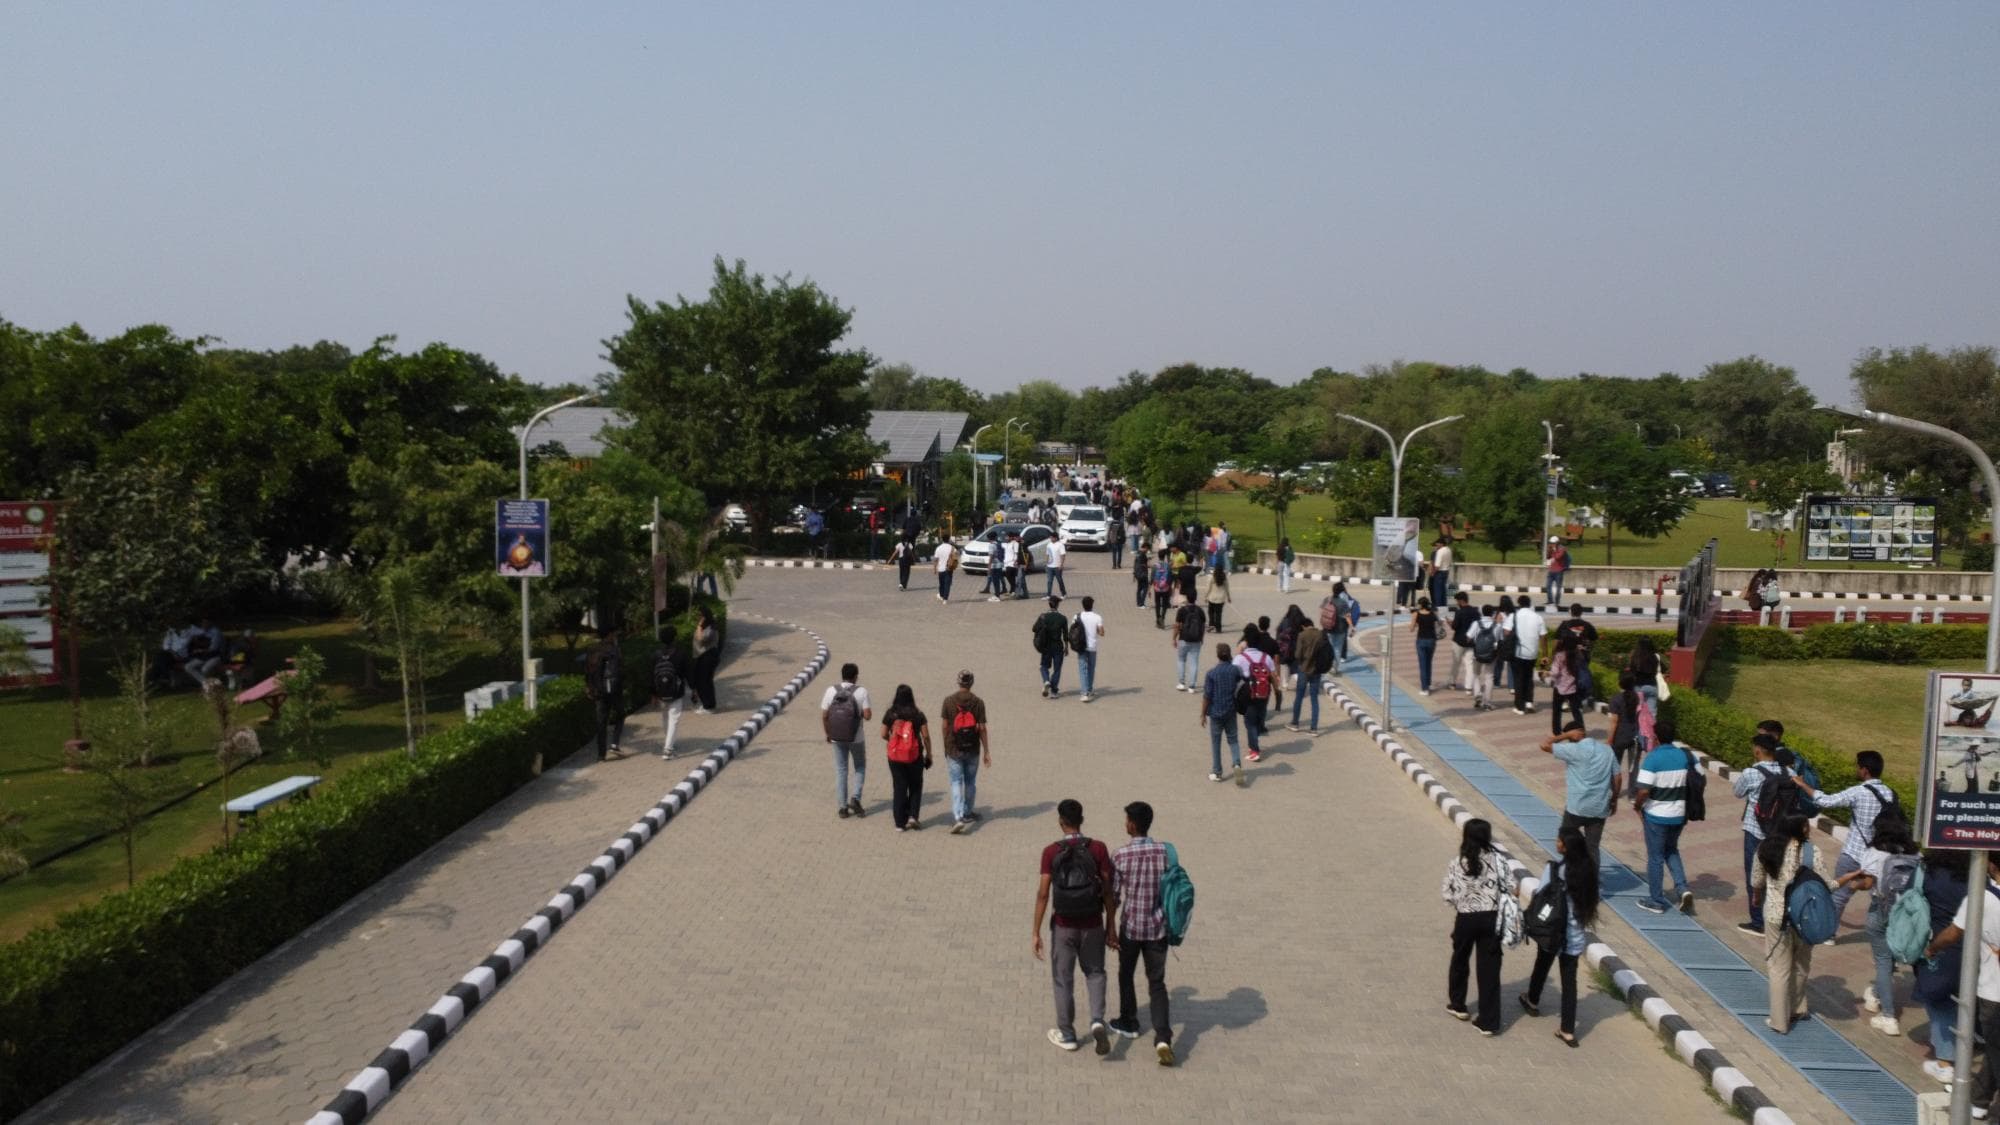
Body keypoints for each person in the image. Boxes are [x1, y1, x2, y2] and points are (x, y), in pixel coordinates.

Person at [1032, 799, 1117, 1054]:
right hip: (1092, 922)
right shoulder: (1098, 848)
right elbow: (1108, 891)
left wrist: (1035, 931)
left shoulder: (1051, 852)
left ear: (1060, 821)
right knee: (1095, 972)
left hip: (1063, 925)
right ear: (1082, 819)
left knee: (1063, 979)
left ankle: (1067, 1034)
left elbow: (1044, 894)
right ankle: (1097, 1020)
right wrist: (1111, 926)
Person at [1830, 810, 1920, 1037]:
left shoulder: (1874, 852)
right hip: (1906, 913)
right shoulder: (1914, 854)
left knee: (1882, 960)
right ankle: (1878, 995)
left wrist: (1853, 885)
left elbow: (1868, 882)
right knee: (1889, 960)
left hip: (1880, 909)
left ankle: (1888, 1015)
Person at [1795, 750, 1899, 937]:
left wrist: (1803, 785)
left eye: (1857, 766)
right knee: (1881, 899)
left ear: (1865, 770)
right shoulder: (1891, 794)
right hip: (1879, 857)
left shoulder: (1859, 792)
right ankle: (1888, 936)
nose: (1856, 769)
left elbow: (1826, 801)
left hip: (1853, 853)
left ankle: (1829, 934)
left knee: (1839, 896)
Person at [1519, 824, 1600, 1047]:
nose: (1557, 842)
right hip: (1574, 936)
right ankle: (1567, 1030)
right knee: (1569, 983)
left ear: (1565, 847)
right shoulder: (1589, 870)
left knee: (1542, 964)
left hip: (1551, 931)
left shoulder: (1554, 869)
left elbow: (1540, 893)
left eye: (1559, 840)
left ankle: (1532, 999)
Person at [1109, 800, 1174, 1065]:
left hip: (1132, 928)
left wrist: (1110, 928)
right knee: (1157, 983)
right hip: (1158, 928)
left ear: (1132, 825)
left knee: (1126, 973)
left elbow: (1113, 896)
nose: (1125, 824)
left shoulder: (1121, 855)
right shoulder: (1164, 852)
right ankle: (1162, 1037)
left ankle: (1129, 1020)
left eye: (1126, 820)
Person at [1441, 817, 1509, 1035]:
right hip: (1491, 918)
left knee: (1460, 959)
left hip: (1466, 919)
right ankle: (1488, 1022)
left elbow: (1447, 894)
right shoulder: (1499, 861)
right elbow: (1512, 887)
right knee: (1489, 969)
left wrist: (1463, 902)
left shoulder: (1457, 863)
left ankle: (1458, 1004)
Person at [1755, 815, 1816, 1033]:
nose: (1809, 828)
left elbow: (1756, 881)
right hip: (1804, 917)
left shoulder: (1766, 848)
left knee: (1779, 969)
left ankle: (1779, 1021)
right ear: (1799, 829)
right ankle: (1797, 1008)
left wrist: (1756, 897)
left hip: (1775, 917)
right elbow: (1827, 884)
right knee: (1800, 964)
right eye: (1806, 825)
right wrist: (1846, 880)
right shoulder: (1811, 852)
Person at [1915, 850, 1971, 1084]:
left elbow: (1911, 898)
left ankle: (1945, 1062)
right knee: (1962, 995)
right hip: (1973, 946)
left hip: (1938, 942)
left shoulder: (1928, 872)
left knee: (1938, 1000)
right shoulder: (1975, 876)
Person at [1729, 734, 1789, 935]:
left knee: (1753, 875)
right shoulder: (1788, 772)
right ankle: (1778, 918)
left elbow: (1737, 793)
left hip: (1755, 831)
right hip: (1780, 833)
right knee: (1777, 875)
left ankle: (1757, 921)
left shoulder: (1751, 773)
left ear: (1757, 750)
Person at [1632, 732, 1695, 915]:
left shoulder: (1653, 758)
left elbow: (1643, 790)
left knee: (1655, 857)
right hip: (1678, 814)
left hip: (1657, 816)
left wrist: (1637, 806)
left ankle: (1656, 900)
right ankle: (1683, 889)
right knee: (1671, 850)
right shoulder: (1683, 755)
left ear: (1656, 738)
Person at [1540, 720, 1619, 857]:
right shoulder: (1607, 750)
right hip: (1599, 808)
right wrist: (1614, 800)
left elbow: (1544, 745)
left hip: (1576, 807)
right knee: (1592, 848)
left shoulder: (1574, 749)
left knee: (1563, 843)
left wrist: (1564, 735)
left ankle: (1571, 873)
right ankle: (1591, 877)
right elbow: (1618, 777)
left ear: (1572, 737)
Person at [821, 662, 873, 819]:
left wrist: (828, 733)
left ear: (842, 675)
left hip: (836, 737)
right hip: (856, 737)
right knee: (860, 767)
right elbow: (868, 716)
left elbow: (824, 715)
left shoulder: (831, 690)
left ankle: (842, 808)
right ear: (855, 676)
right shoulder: (861, 691)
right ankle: (855, 798)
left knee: (841, 770)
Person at [940, 670, 991, 833]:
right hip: (972, 749)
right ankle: (968, 812)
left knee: (956, 782)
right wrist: (986, 751)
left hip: (954, 748)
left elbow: (944, 726)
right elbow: (982, 728)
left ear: (958, 682)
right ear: (971, 683)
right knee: (970, 782)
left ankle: (958, 816)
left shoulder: (948, 701)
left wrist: (946, 745)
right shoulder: (978, 702)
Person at [880, 684, 930, 831]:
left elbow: (883, 734)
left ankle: (899, 824)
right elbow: (926, 736)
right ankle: (913, 816)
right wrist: (929, 753)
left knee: (899, 787)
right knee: (915, 785)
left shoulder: (890, 713)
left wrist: (893, 742)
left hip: (895, 757)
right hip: (915, 756)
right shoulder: (918, 714)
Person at [1200, 642, 1246, 786]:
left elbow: (1207, 696)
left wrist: (1203, 714)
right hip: (1230, 710)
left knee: (1216, 742)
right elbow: (1242, 681)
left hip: (1215, 712)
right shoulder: (1235, 670)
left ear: (1217, 655)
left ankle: (1217, 771)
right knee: (1233, 740)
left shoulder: (1211, 674)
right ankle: (1237, 763)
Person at [1234, 629, 1278, 763]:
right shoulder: (1266, 657)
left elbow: (1233, 675)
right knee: (1258, 718)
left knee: (1250, 722)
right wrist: (1277, 692)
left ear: (1246, 642)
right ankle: (1255, 742)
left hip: (1249, 693)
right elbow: (1273, 676)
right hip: (1265, 692)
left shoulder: (1240, 658)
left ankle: (1254, 750)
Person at [583, 626, 626, 761]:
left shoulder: (592, 650)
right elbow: (620, 669)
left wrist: (589, 687)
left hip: (598, 691)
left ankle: (601, 755)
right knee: (620, 714)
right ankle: (614, 743)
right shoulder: (614, 650)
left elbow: (587, 671)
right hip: (613, 689)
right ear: (609, 635)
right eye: (613, 634)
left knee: (601, 722)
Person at [1287, 613, 1329, 734]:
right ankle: (1314, 728)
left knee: (1299, 696)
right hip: (1317, 670)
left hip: (1304, 669)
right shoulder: (1321, 635)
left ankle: (1295, 723)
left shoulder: (1302, 635)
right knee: (1314, 699)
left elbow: (1297, 654)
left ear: (1304, 626)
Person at [651, 626, 687, 760]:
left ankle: (668, 742)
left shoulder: (656, 655)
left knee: (665, 717)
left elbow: (651, 675)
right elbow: (687, 672)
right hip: (676, 692)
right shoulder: (680, 653)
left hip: (660, 693)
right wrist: (694, 688)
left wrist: (653, 694)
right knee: (674, 719)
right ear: (674, 637)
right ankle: (668, 749)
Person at [1507, 601, 1545, 715]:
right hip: (1532, 654)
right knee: (1529, 678)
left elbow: (1506, 632)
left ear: (1519, 604)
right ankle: (1529, 702)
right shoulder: (1538, 617)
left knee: (1518, 679)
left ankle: (1519, 707)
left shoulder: (1513, 616)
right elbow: (1543, 636)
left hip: (1518, 652)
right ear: (1530, 604)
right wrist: (1545, 654)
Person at [1554, 605, 1598, 701]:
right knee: (1580, 677)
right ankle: (1578, 700)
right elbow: (1594, 639)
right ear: (1581, 613)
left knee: (1566, 676)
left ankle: (1566, 700)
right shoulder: (1587, 625)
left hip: (1567, 655)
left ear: (1570, 612)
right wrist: (1588, 649)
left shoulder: (1564, 625)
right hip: (1582, 655)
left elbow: (1557, 640)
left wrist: (1555, 653)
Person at [1546, 634, 1586, 734]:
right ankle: (1581, 730)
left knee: (1556, 711)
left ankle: (1557, 732)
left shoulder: (1559, 655)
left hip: (1560, 687)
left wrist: (1547, 674)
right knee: (1576, 711)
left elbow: (1555, 673)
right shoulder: (1578, 655)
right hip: (1573, 687)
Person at [1034, 595, 1069, 700]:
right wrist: (1066, 647)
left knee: (1043, 666)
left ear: (1049, 604)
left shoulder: (1043, 616)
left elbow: (1034, 628)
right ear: (1058, 605)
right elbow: (1065, 635)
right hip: (1058, 646)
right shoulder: (1062, 618)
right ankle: (1054, 691)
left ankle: (1046, 680)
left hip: (1046, 646)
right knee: (1057, 669)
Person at [688, 607, 721, 713]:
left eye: (700, 616)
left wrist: (699, 626)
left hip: (707, 656)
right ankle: (709, 704)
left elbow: (700, 639)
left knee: (703, 682)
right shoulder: (708, 626)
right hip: (703, 656)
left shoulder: (710, 628)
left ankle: (708, 706)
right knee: (706, 681)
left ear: (705, 617)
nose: (698, 618)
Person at [1172, 593, 1206, 692]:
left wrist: (1174, 638)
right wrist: (1202, 638)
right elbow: (1203, 626)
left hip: (1183, 639)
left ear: (1187, 599)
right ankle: (1192, 686)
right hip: (1196, 640)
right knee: (1194, 663)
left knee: (1181, 660)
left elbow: (1177, 626)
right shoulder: (1200, 611)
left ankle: (1181, 683)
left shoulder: (1182, 610)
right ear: (1195, 599)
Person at [1448, 591, 1480, 692]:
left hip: (1458, 640)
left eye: (1457, 601)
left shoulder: (1459, 612)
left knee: (1456, 663)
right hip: (1471, 642)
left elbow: (1455, 627)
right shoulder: (1475, 611)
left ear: (1461, 600)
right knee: (1469, 665)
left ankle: (1452, 683)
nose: (1456, 603)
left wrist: (1449, 622)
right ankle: (1468, 687)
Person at [1075, 596, 1105, 703]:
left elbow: (1073, 629)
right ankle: (1089, 689)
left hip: (1081, 646)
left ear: (1083, 605)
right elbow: (1102, 633)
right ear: (1092, 605)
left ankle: (1084, 693)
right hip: (1093, 646)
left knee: (1083, 669)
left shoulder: (1077, 616)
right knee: (1091, 668)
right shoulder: (1097, 617)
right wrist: (1095, 629)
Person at [1411, 596, 1441, 696]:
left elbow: (1411, 628)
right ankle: (1428, 683)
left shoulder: (1416, 614)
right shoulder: (1433, 613)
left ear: (1420, 605)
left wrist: (1415, 623)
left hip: (1421, 640)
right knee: (1429, 662)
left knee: (1423, 665)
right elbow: (1439, 624)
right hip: (1432, 640)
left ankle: (1425, 689)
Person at [1625, 637, 1662, 716]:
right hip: (1652, 686)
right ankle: (1651, 728)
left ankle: (1639, 728)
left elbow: (1632, 672)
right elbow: (1659, 670)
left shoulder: (1636, 657)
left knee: (1638, 712)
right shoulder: (1654, 657)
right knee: (1652, 713)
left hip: (1639, 687)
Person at [1202, 558, 1232, 630]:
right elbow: (1227, 588)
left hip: (1212, 598)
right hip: (1221, 599)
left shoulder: (1212, 577)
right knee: (1218, 614)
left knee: (1211, 612)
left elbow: (1208, 588)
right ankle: (1218, 628)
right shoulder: (1224, 578)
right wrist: (1228, 597)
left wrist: (1205, 597)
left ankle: (1211, 624)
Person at [931, 535, 959, 604]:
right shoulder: (952, 548)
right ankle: (945, 599)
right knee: (947, 584)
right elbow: (957, 555)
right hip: (949, 568)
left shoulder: (939, 548)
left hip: (941, 569)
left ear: (942, 540)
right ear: (949, 539)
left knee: (941, 583)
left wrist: (934, 569)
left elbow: (935, 559)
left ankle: (941, 595)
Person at [1150, 551, 1175, 628]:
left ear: (1158, 556)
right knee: (1164, 604)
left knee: (1157, 604)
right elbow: (1171, 577)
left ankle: (1158, 620)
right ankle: (1163, 618)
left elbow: (1152, 578)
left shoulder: (1155, 566)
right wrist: (1170, 587)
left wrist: (1149, 588)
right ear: (1164, 557)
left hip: (1157, 588)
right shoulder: (1168, 566)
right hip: (1166, 588)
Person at [1544, 536, 1570, 607]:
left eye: (1553, 543)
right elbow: (1548, 557)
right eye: (1551, 543)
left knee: (1558, 587)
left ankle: (1557, 602)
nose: (1552, 544)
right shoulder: (1551, 549)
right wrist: (1549, 551)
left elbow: (1558, 557)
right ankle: (1550, 600)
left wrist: (1553, 550)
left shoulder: (1562, 549)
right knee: (1548, 586)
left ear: (1557, 543)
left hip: (1559, 571)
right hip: (1551, 570)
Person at [1429, 538, 1453, 608]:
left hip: (1439, 572)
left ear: (1441, 544)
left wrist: (1433, 573)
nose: (1436, 545)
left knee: (1437, 590)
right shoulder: (1448, 550)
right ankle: (1443, 605)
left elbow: (1437, 566)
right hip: (1446, 571)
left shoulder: (1440, 551)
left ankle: (1437, 606)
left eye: (1438, 543)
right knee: (1443, 590)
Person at [1045, 532, 1069, 597]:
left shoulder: (1060, 545)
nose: (1051, 539)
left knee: (1059, 580)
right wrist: (1046, 563)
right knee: (1049, 581)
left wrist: (1061, 564)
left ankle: (1064, 594)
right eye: (1050, 537)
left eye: (1052, 537)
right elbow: (1047, 554)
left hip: (1057, 566)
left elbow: (1063, 555)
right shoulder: (1048, 545)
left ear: (1055, 538)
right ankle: (1048, 595)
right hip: (1050, 566)